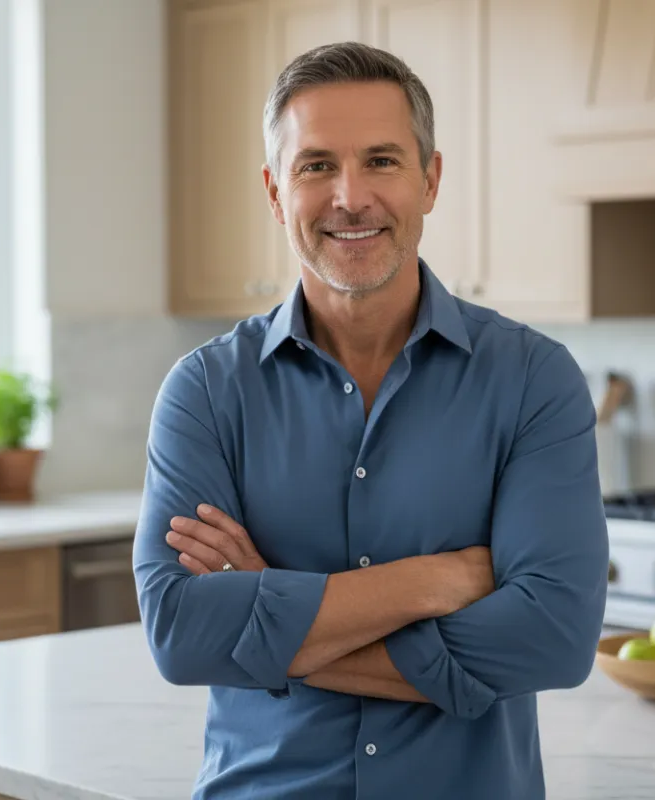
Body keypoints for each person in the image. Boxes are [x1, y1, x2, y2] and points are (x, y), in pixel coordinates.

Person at [133, 41, 609, 799]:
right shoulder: (206, 390)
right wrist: (435, 580)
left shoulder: (532, 379)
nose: (350, 197)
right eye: (316, 165)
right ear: (275, 191)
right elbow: (182, 635)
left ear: (430, 179)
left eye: (381, 161)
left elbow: (552, 639)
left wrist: (269, 612)